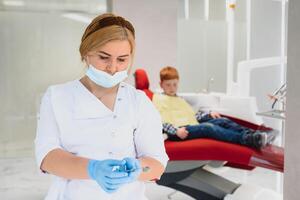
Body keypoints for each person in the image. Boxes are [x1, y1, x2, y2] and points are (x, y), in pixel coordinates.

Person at [34, 13, 168, 200]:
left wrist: (138, 170)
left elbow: (156, 163)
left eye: (122, 59)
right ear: (86, 52)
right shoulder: (57, 97)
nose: (113, 68)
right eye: (104, 57)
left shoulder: (139, 102)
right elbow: (47, 157)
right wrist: (93, 169)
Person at [152, 66, 276, 149]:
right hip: (179, 132)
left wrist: (208, 115)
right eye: (168, 85)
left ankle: (256, 134)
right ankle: (248, 139)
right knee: (209, 128)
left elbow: (190, 116)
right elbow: (159, 121)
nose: (172, 88)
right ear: (161, 84)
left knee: (222, 120)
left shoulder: (179, 99)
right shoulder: (158, 99)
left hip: (190, 125)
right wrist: (176, 131)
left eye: (174, 84)